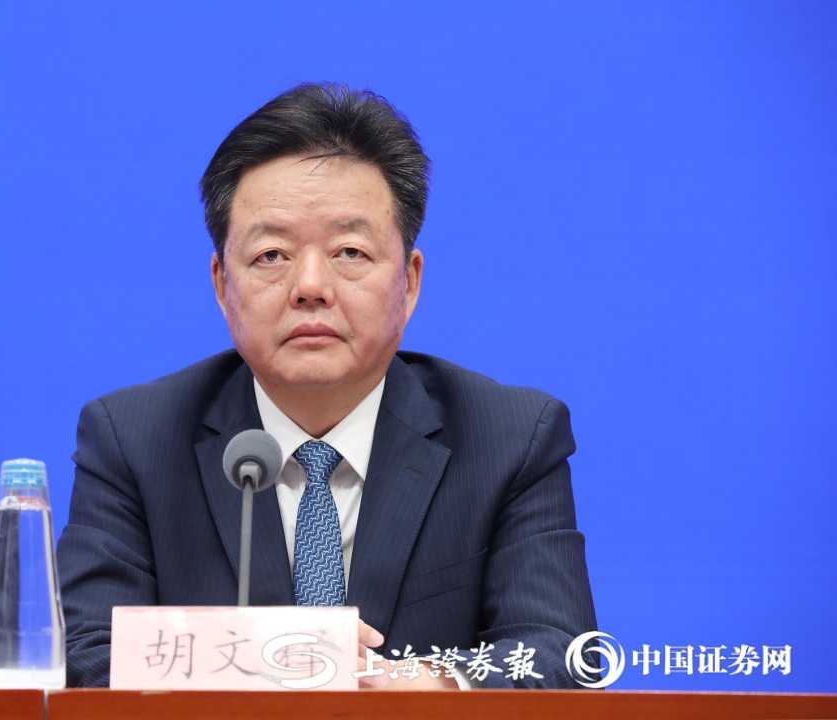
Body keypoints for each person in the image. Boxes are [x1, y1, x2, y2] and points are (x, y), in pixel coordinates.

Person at [56, 83, 597, 689]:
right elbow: (80, 653)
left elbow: (562, 655)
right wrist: (267, 660)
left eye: (349, 251)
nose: (310, 286)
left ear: (410, 283)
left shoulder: (510, 438)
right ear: (221, 285)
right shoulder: (135, 440)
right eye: (271, 255)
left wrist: (442, 685)